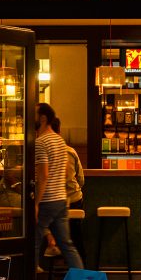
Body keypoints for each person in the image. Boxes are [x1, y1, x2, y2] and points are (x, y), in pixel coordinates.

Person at [34, 103, 84, 270]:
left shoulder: (41, 142)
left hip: (47, 200)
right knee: (67, 246)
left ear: (42, 118)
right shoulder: (60, 141)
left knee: (33, 241)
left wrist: (36, 203)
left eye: (33, 114)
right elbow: (61, 174)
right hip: (61, 200)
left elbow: (43, 176)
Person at [42, 117, 85, 259]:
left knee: (39, 224)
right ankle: (79, 268)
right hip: (74, 200)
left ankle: (44, 257)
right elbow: (81, 180)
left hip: (53, 202)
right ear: (59, 131)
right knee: (75, 239)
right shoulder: (71, 151)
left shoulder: (42, 150)